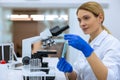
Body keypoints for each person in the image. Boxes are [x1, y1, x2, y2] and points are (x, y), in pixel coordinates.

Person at [57, 1, 120, 80]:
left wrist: (87, 50)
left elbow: (108, 78)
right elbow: (77, 76)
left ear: (100, 18)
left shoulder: (112, 44)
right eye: (79, 20)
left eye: (86, 18)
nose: (82, 24)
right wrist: (69, 71)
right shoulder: (88, 44)